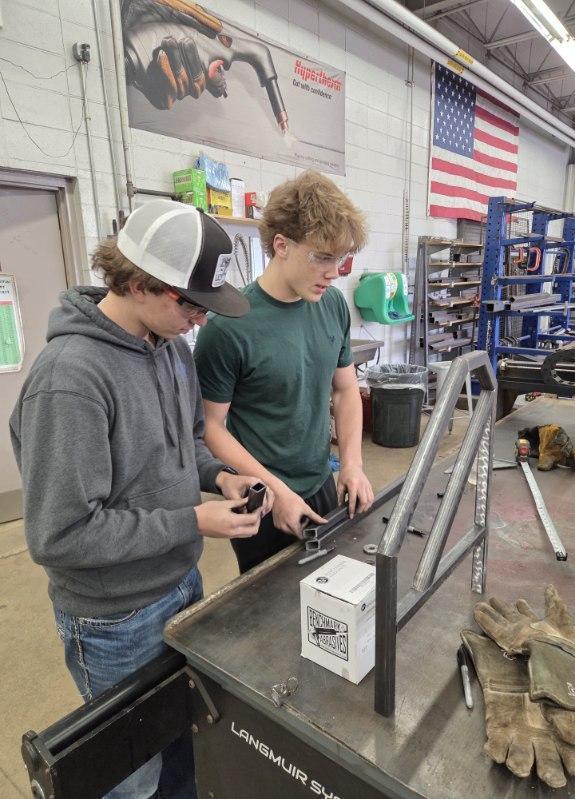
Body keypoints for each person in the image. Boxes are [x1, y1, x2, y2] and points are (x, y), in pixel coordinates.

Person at [9, 200, 272, 799]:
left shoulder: (170, 348)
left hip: (179, 587)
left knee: (186, 745)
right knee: (132, 779)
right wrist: (192, 521)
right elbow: (60, 535)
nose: (202, 321)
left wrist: (220, 478)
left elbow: (179, 447)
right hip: (115, 619)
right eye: (192, 304)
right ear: (136, 283)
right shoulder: (70, 381)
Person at [194, 170, 374, 574]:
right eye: (322, 257)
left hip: (321, 482)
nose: (333, 272)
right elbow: (211, 427)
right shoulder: (228, 325)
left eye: (341, 259)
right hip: (263, 498)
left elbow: (345, 390)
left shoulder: (332, 306)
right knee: (267, 618)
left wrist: (352, 463)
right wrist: (275, 490)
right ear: (282, 246)